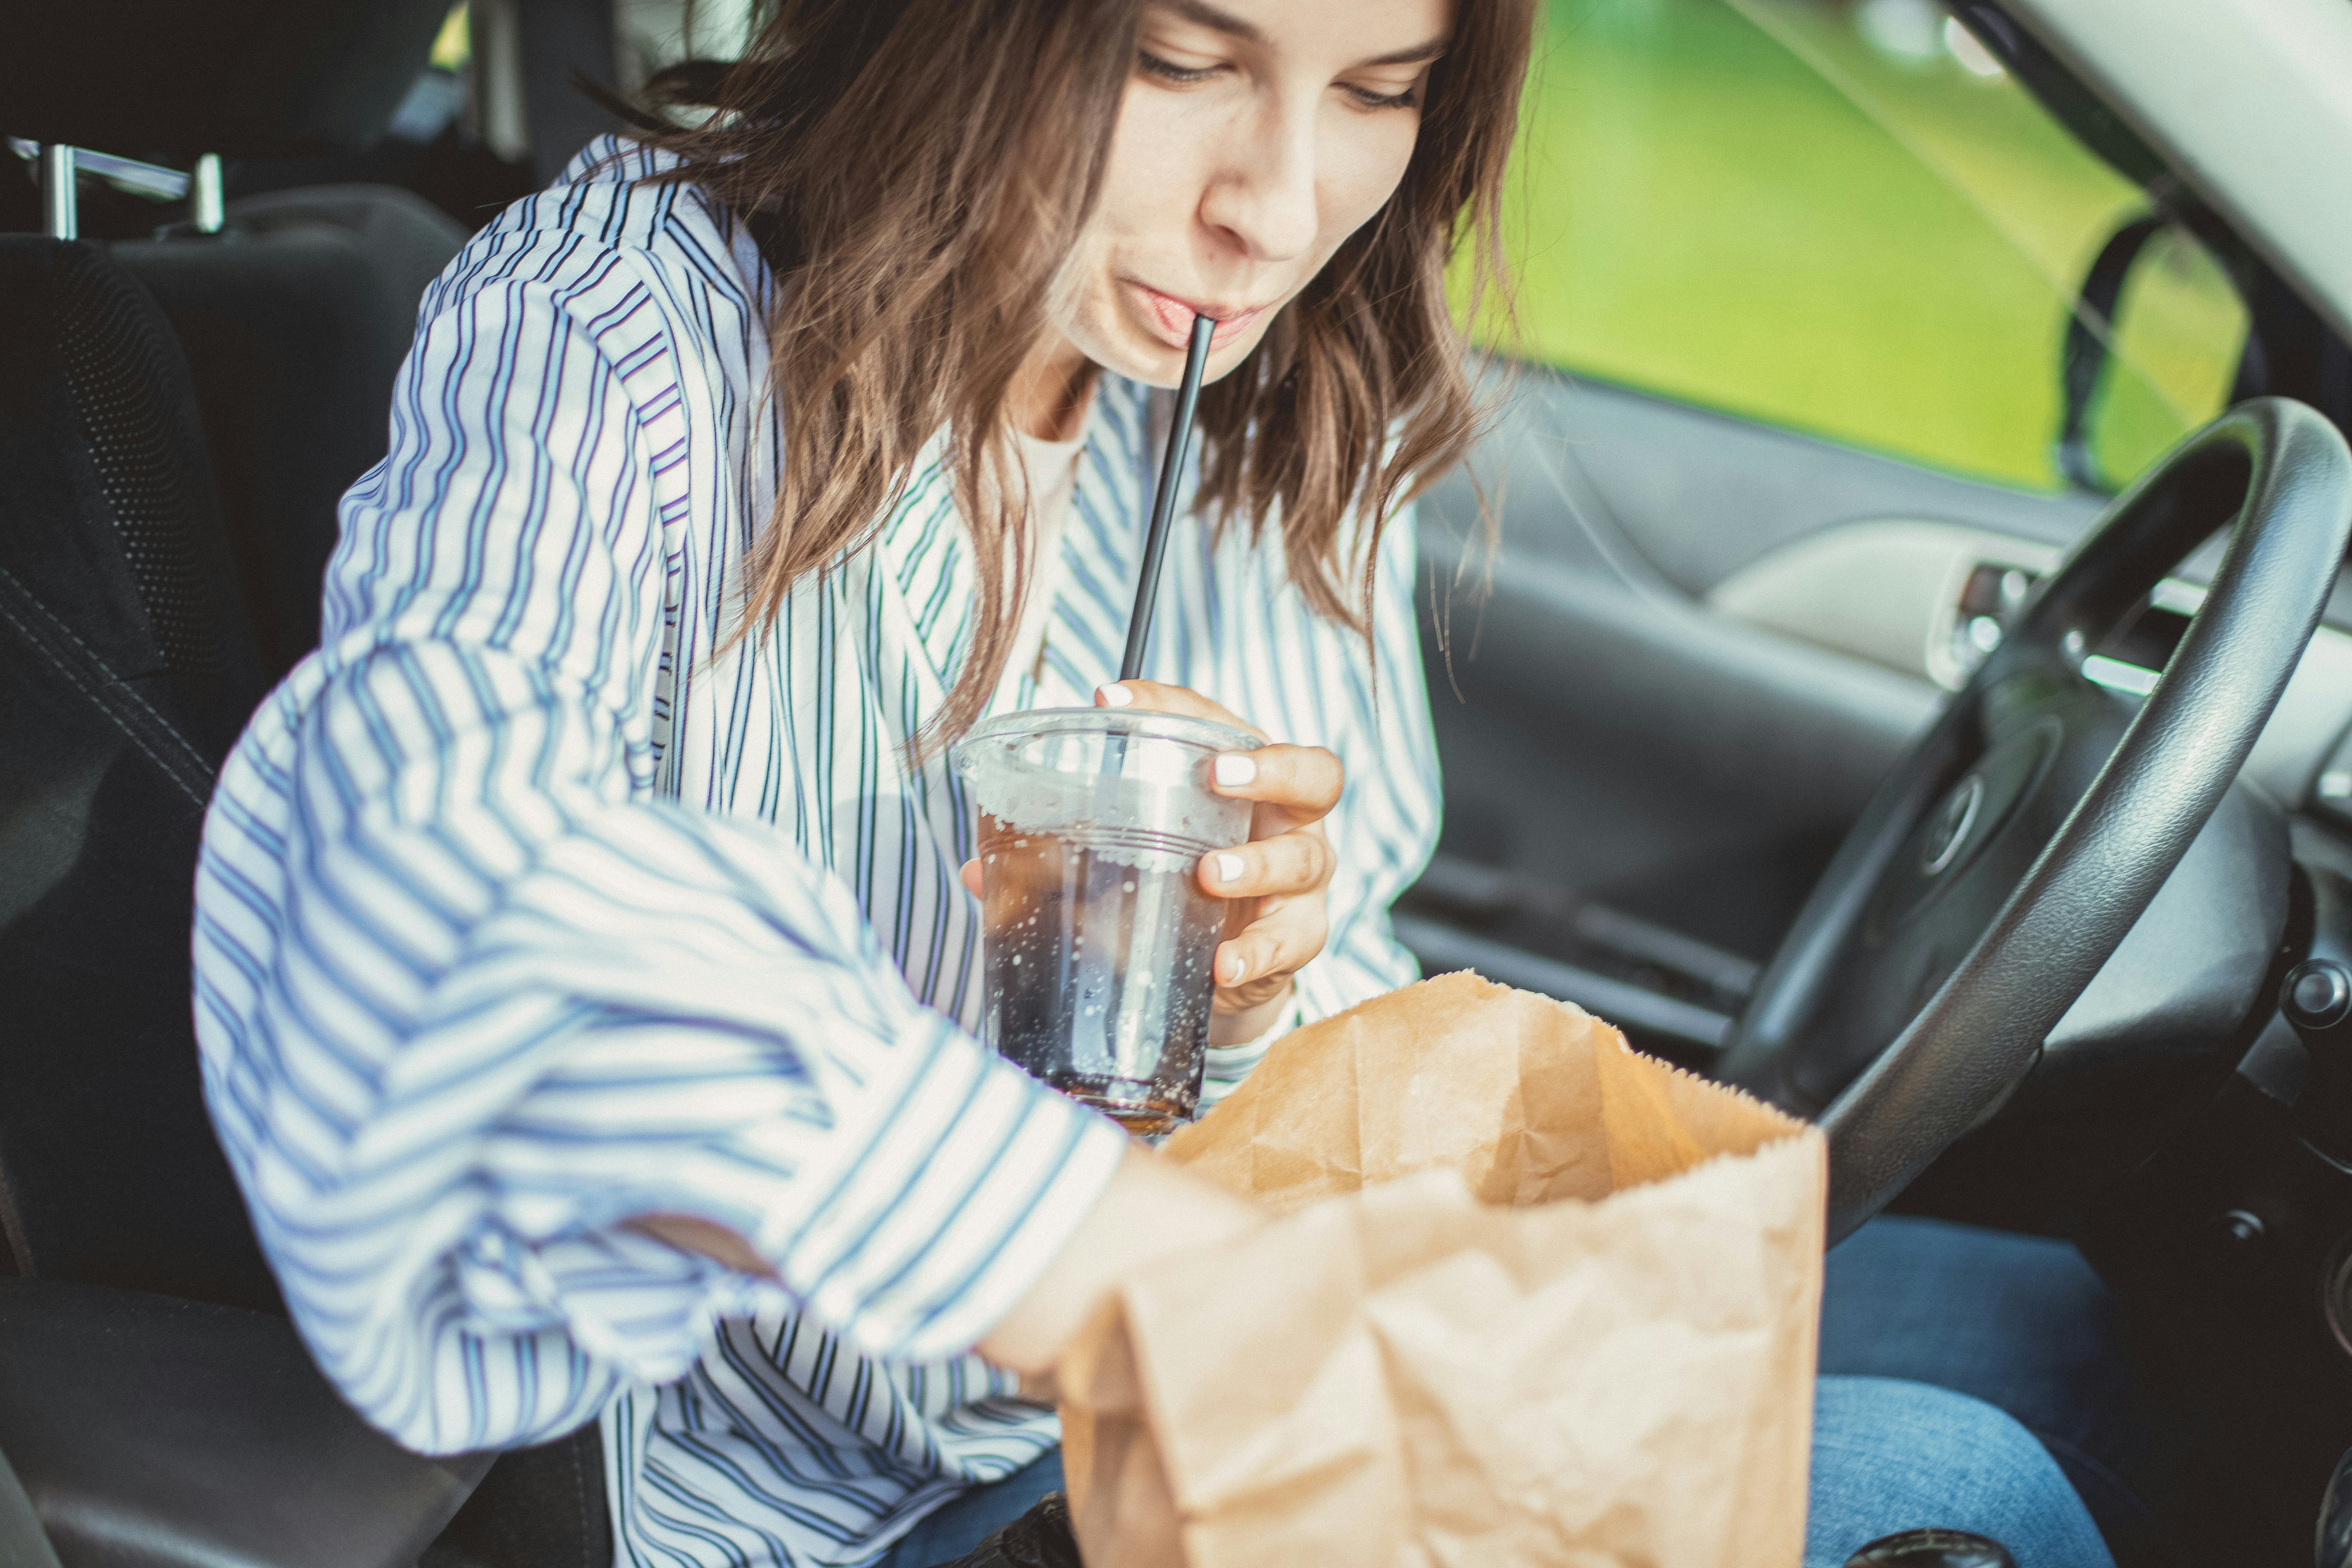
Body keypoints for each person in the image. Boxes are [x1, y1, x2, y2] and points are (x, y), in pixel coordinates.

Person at [189, 0, 2118, 1563]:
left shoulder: (1270, 400)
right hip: (849, 1507)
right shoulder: (625, 332)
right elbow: (436, 838)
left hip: (1218, 1370)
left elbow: (1310, 991)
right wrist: (1096, 1256)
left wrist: (1274, 1004)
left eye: (1381, 89)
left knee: (2064, 1330)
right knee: (1971, 1491)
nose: (1276, 209)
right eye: (1181, 61)